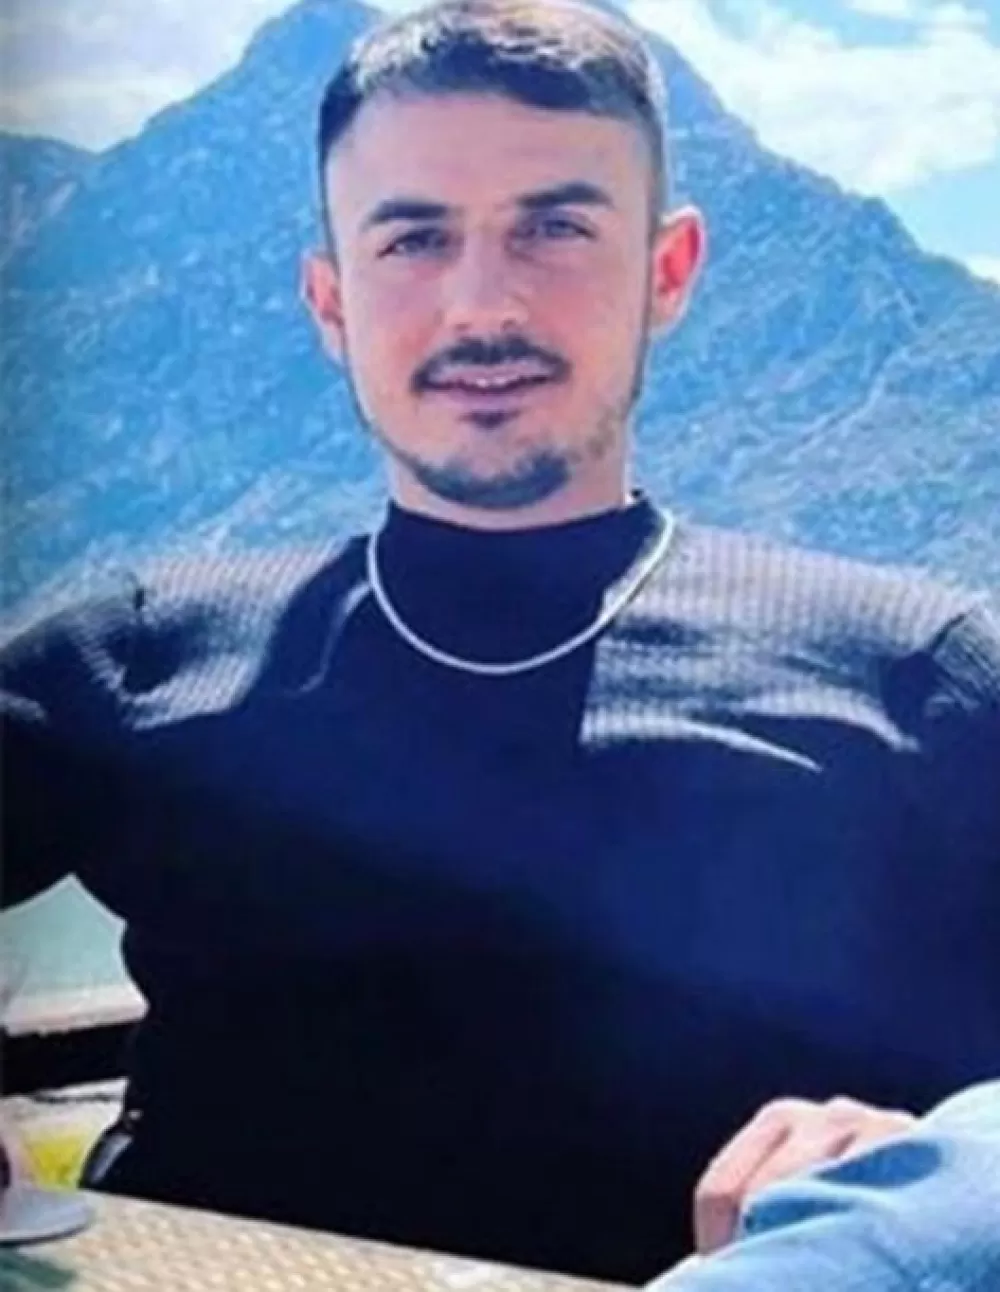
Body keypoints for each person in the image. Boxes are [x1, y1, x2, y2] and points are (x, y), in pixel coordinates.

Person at [2, 0, 998, 1284]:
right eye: (413, 237)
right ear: (331, 300)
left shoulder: (915, 674)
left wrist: (926, 1171)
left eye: (555, 228)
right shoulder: (143, 654)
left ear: (667, 271)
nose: (482, 304)